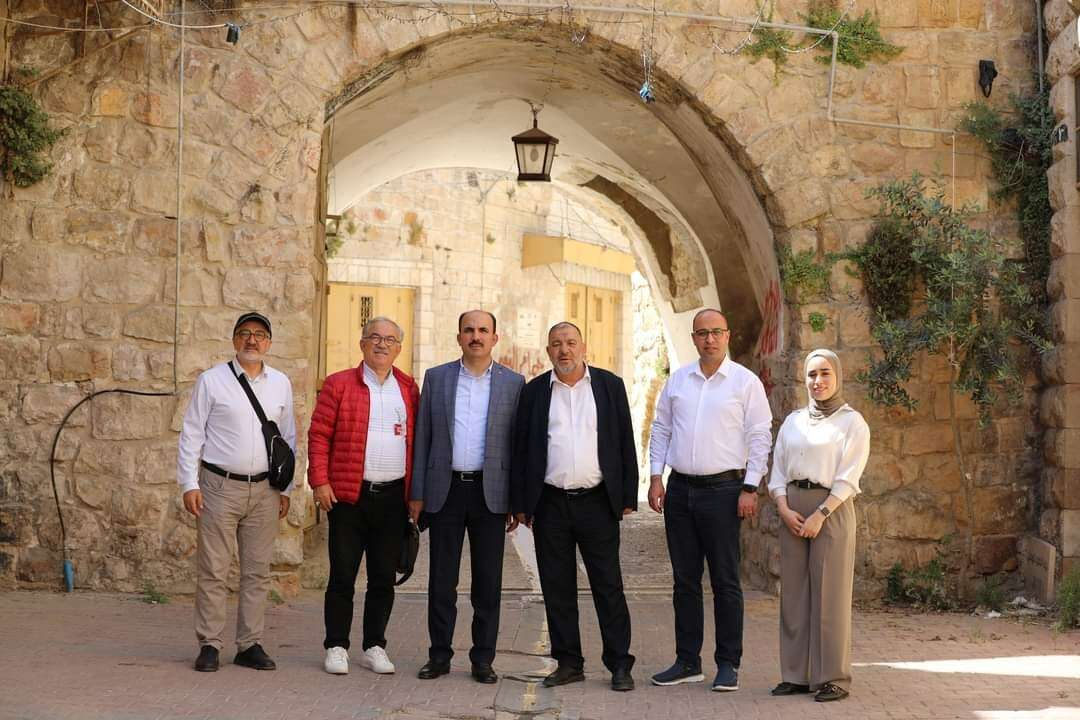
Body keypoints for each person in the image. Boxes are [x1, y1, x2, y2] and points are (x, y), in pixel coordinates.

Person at [647, 308, 772, 692]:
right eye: (702, 333)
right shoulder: (678, 380)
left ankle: (728, 663)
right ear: (694, 338)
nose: (710, 339)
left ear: (727, 335)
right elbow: (661, 428)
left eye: (716, 332)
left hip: (724, 492)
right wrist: (655, 477)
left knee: (725, 580)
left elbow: (760, 435)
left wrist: (750, 487)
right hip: (680, 489)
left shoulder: (745, 382)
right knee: (684, 581)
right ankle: (687, 661)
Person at [511, 321, 638, 692]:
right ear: (548, 351)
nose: (564, 350)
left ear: (583, 347)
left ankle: (619, 663)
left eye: (570, 342)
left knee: (608, 585)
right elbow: (522, 448)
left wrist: (627, 495)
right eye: (556, 344)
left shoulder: (609, 386)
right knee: (557, 587)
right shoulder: (535, 392)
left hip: (597, 501)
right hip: (550, 502)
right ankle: (568, 663)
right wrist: (522, 503)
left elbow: (624, 440)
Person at [177, 311, 296, 673]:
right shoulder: (212, 381)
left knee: (257, 571)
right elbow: (192, 433)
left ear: (269, 343)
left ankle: (249, 644)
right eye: (244, 333)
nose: (251, 340)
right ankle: (210, 644)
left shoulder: (281, 383)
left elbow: (288, 438)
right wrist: (189, 483)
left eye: (259, 334)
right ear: (234, 340)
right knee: (214, 569)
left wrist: (286, 488)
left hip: (264, 490)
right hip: (218, 486)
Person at [411, 310, 525, 683]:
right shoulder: (437, 378)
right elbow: (423, 437)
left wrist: (517, 500)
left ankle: (483, 659)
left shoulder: (514, 383)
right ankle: (439, 656)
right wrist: (417, 493)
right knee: (441, 581)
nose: (476, 336)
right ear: (459, 336)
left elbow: (518, 445)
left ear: (495, 337)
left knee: (488, 583)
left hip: (490, 493)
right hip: (445, 491)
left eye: (483, 330)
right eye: (469, 330)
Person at [308, 316, 419, 676]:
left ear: (399, 348)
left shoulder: (408, 388)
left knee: (383, 578)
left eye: (389, 339)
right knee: (343, 575)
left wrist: (415, 494)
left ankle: (374, 646)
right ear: (362, 344)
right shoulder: (339, 384)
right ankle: (336, 645)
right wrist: (320, 481)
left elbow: (417, 442)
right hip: (348, 497)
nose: (382, 344)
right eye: (374, 337)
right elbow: (319, 435)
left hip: (392, 498)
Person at [768, 348, 869, 703]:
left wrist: (820, 514)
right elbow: (778, 470)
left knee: (830, 595)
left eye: (825, 373)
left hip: (831, 509)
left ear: (837, 376)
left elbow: (849, 476)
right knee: (794, 596)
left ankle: (833, 677)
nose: (818, 381)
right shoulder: (793, 421)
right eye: (812, 374)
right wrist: (782, 506)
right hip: (792, 509)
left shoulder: (851, 422)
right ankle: (796, 675)